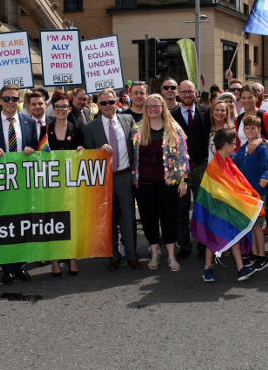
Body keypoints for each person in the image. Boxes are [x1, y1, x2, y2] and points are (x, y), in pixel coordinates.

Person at [0, 85, 38, 282]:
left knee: (22, 224)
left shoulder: (29, 122)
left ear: (19, 100)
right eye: (6, 99)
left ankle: (21, 265)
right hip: (0, 183)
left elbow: (36, 147)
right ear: (0, 101)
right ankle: (7, 268)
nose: (10, 102)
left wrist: (31, 149)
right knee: (4, 225)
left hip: (22, 182)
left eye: (14, 99)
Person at [82, 88, 140, 270]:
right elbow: (87, 154)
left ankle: (132, 255)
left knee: (128, 218)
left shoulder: (128, 120)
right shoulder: (90, 127)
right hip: (104, 181)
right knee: (108, 220)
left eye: (111, 102)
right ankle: (113, 256)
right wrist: (99, 151)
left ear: (117, 103)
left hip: (124, 176)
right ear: (98, 105)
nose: (108, 106)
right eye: (104, 103)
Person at [132, 94, 189, 272]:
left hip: (169, 183)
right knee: (148, 220)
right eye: (149, 106)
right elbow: (133, 157)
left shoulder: (174, 129)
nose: (153, 109)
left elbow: (183, 157)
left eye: (156, 106)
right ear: (145, 109)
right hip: (144, 184)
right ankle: (155, 253)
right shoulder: (137, 129)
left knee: (169, 219)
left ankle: (171, 255)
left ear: (163, 107)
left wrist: (183, 180)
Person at [234, 84, 268, 264]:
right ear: (239, 99)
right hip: (245, 173)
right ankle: (253, 250)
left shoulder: (265, 116)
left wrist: (260, 141)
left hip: (264, 171)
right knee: (251, 214)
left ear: (256, 98)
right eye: (243, 97)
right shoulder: (239, 118)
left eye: (250, 97)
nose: (247, 101)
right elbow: (238, 144)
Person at [197, 129, 258, 282]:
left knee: (233, 237)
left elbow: (234, 184)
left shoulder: (225, 162)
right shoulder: (215, 165)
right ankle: (207, 268)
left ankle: (240, 268)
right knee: (213, 239)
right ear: (226, 145)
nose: (235, 146)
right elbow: (219, 190)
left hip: (227, 207)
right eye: (233, 144)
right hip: (215, 209)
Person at [45, 90, 84, 276]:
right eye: (58, 106)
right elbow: (38, 152)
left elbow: (87, 152)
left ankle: (72, 257)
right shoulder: (45, 129)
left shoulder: (77, 128)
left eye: (64, 107)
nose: (61, 110)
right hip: (51, 185)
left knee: (71, 221)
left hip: (71, 185)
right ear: (53, 108)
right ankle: (54, 259)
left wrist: (82, 150)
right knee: (54, 221)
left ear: (69, 108)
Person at [171, 80, 211, 259]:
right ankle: (184, 245)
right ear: (179, 93)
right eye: (184, 92)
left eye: (191, 92)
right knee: (181, 207)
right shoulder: (170, 115)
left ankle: (203, 244)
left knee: (201, 208)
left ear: (196, 93)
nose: (187, 95)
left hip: (202, 166)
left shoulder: (206, 112)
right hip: (180, 171)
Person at [233, 115, 268, 269]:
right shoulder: (241, 149)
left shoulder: (261, 149)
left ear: (259, 130)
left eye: (253, 128)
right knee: (250, 225)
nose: (250, 130)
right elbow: (235, 168)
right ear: (243, 130)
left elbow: (266, 169)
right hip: (245, 194)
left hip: (258, 192)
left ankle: (262, 255)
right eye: (247, 128)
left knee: (257, 226)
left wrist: (264, 178)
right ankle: (254, 254)